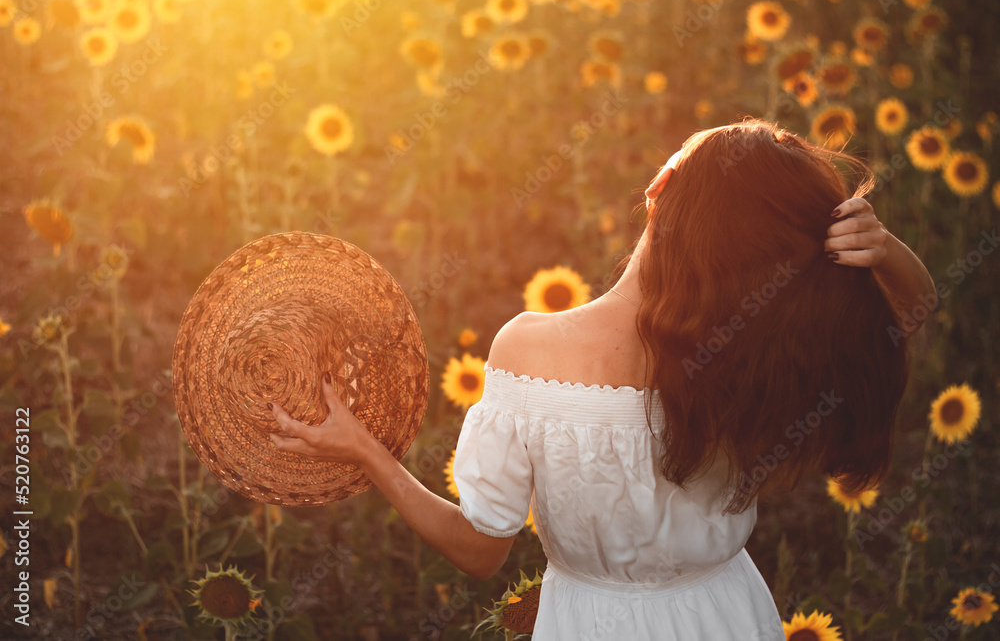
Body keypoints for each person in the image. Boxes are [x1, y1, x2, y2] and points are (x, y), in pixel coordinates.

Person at [267, 119, 935, 639]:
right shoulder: (758, 351)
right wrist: (884, 249)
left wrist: (366, 451)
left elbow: (479, 551)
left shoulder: (529, 349)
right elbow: (911, 313)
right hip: (725, 613)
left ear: (658, 192)